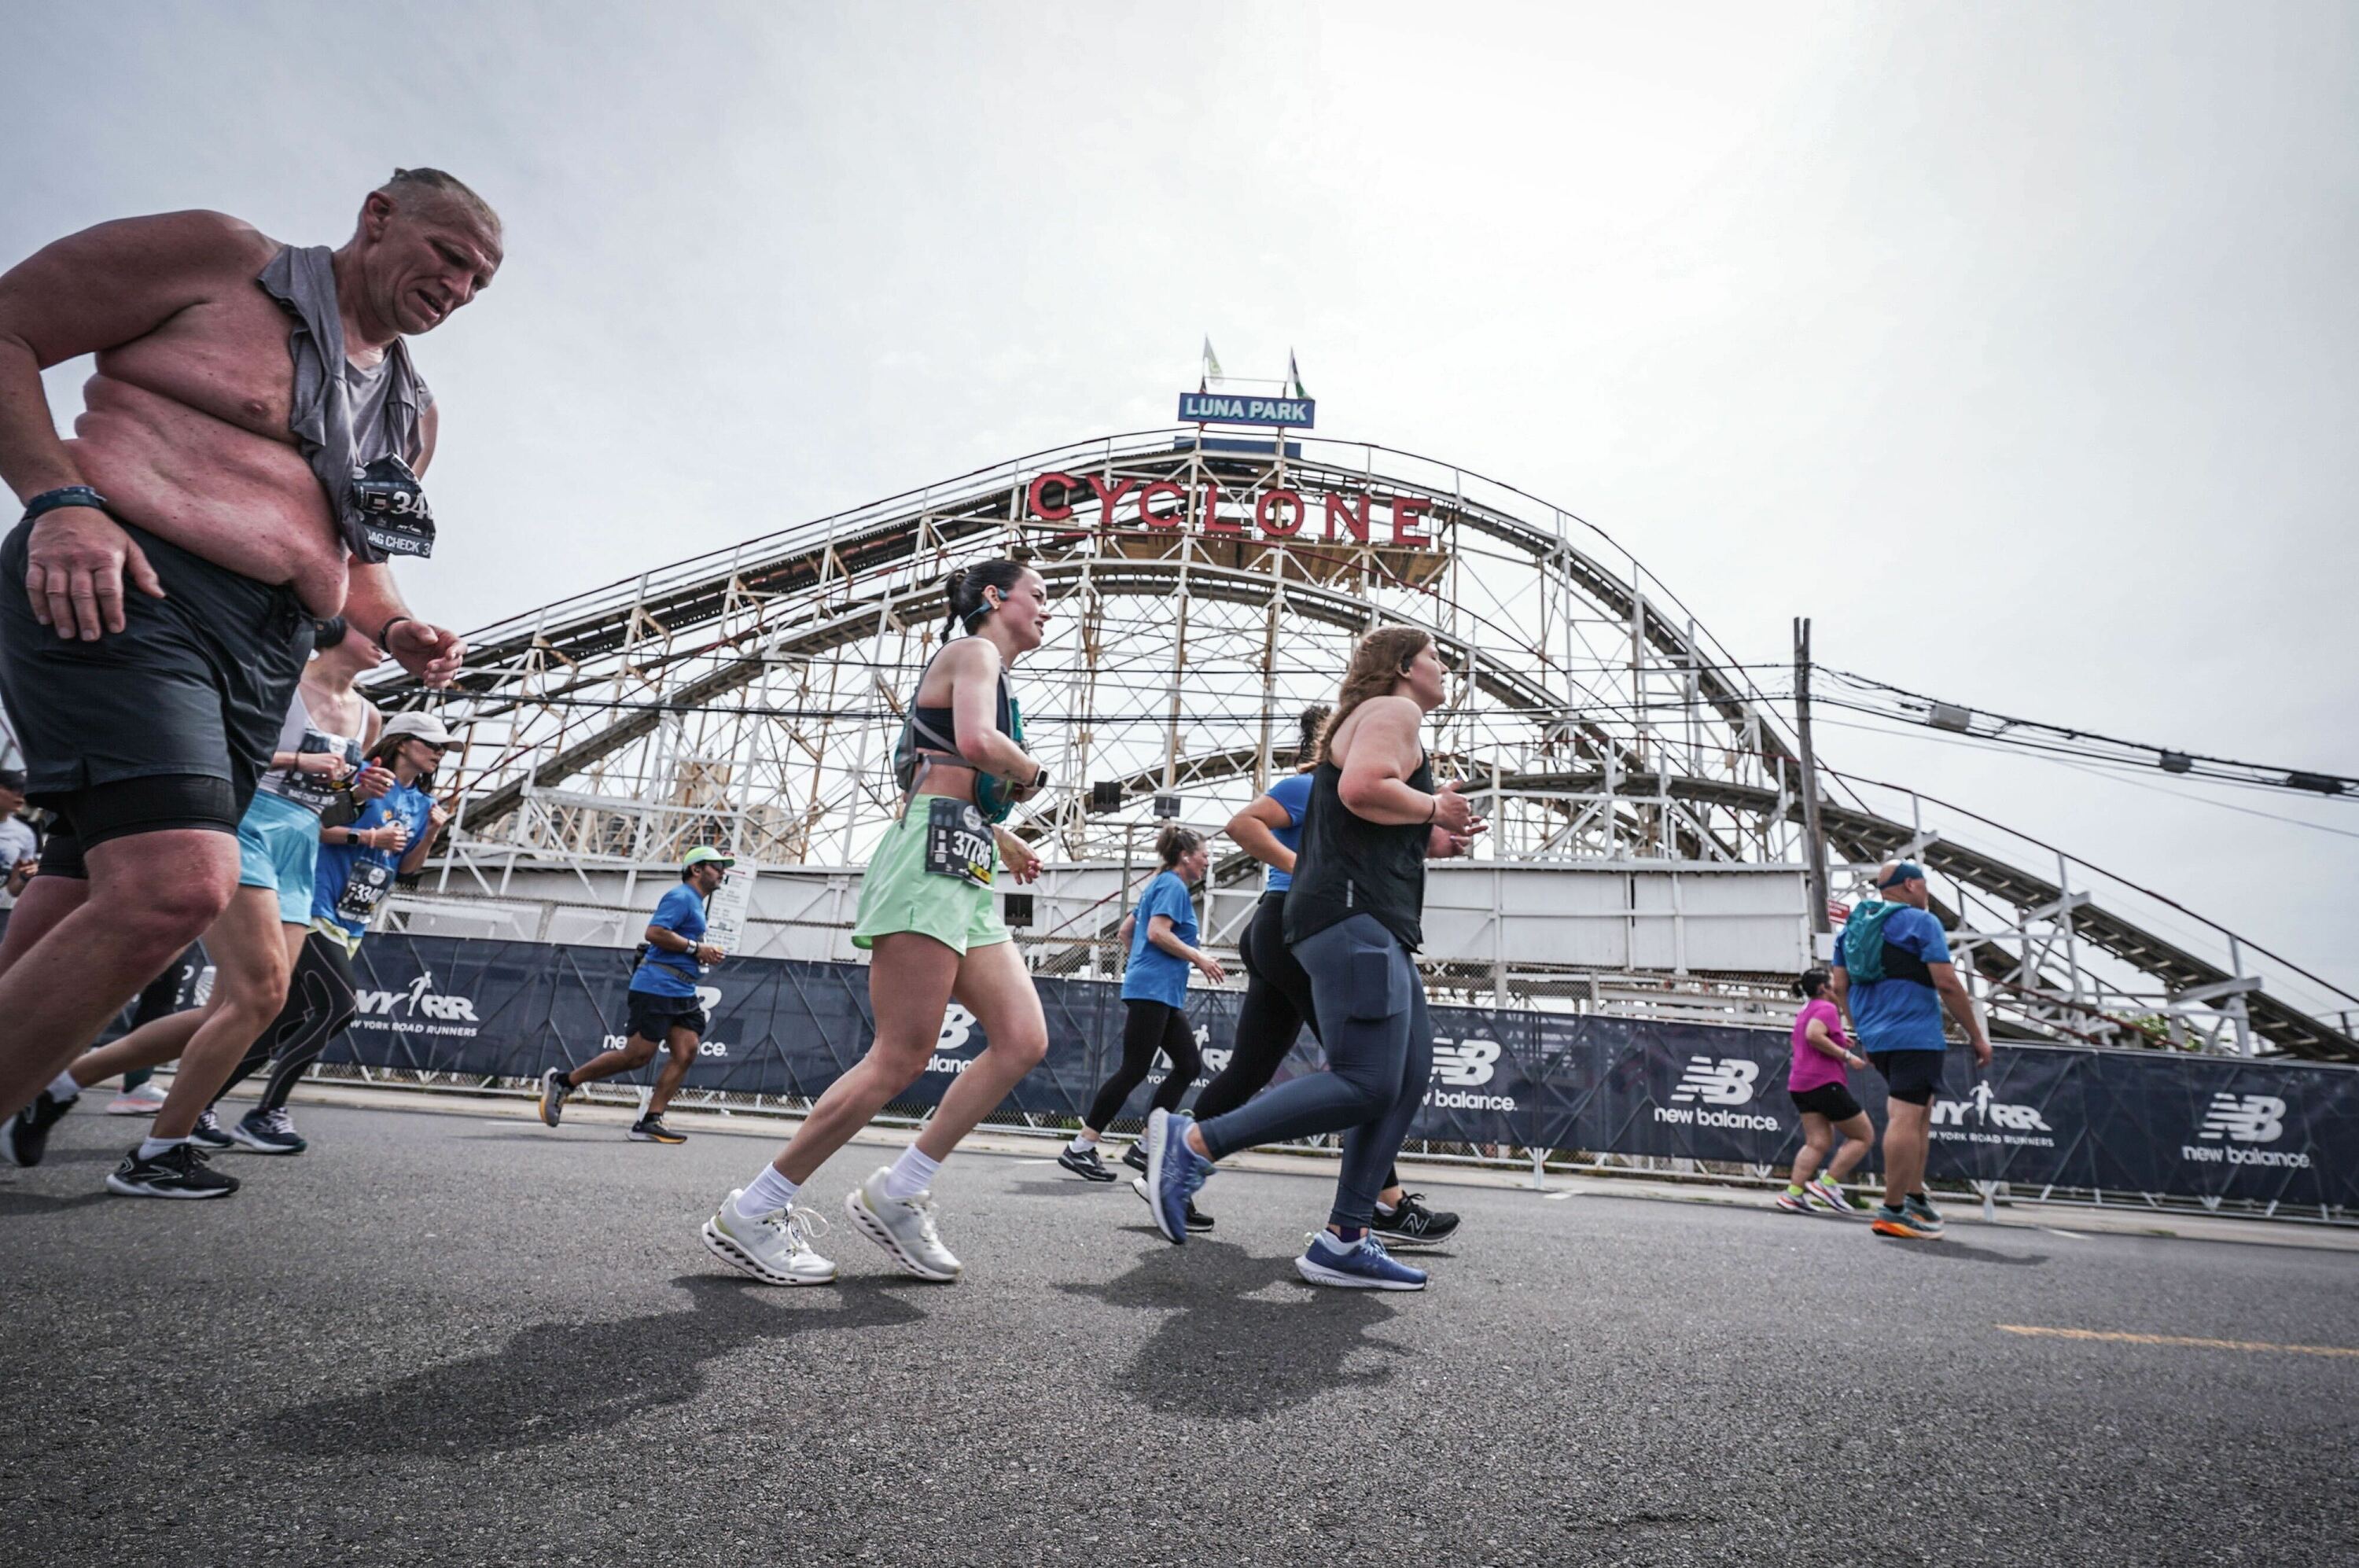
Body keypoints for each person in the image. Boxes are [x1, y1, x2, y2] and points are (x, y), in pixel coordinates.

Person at [0, 169, 482, 1139]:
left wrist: (396, 628)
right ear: (378, 218)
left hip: (264, 649)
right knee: (179, 882)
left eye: (481, 280)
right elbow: (9, 326)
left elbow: (353, 559)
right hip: (132, 581)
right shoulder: (224, 260)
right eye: (450, 255)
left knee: (84, 889)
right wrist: (56, 499)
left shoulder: (409, 413)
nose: (461, 287)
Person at [701, 559, 1051, 1286]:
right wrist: (1033, 773)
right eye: (1039, 595)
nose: (1049, 611)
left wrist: (1002, 834)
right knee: (900, 1057)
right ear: (995, 598)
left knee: (1022, 1038)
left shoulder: (985, 666)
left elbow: (943, 770)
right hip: (930, 855)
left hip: (962, 855)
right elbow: (981, 745)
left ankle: (899, 1191)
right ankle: (755, 1209)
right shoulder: (976, 651)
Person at [1145, 626, 1484, 1290]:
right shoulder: (1397, 709)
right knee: (1366, 1080)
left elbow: (1355, 816)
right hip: (1352, 919)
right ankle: (1191, 1145)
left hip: (1366, 916)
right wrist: (1433, 803)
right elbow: (1363, 789)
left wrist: (1427, 838)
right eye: (1439, 660)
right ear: (1408, 666)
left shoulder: (1363, 721)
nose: (1447, 672)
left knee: (1405, 1076)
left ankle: (1347, 1238)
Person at [2, 652, 395, 1191]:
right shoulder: (280, 680)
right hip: (247, 820)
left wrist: (354, 789)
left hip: (299, 841)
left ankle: (62, 1084)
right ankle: (159, 1152)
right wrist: (300, 763)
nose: (384, 638)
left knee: (230, 1009)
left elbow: (335, 800)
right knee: (262, 999)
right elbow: (213, 750)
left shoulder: (369, 716)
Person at [1186, 704, 1463, 1247]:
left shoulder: (1350, 795)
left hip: (1293, 930)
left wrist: (1435, 834)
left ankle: (1166, 1150)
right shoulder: (1315, 786)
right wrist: (1306, 868)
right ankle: (1383, 1205)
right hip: (1303, 925)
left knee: (1251, 1070)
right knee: (1368, 1073)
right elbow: (1241, 824)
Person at [211, 709, 452, 1153]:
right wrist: (367, 838)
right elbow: (313, 829)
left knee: (283, 1021)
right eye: (432, 744)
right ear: (401, 742)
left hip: (354, 919)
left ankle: (202, 1100)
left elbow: (407, 871)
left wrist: (431, 834)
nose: (440, 753)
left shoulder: (420, 805)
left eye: (443, 748)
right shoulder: (363, 776)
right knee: (340, 1006)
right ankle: (266, 1113)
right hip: (314, 905)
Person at [1831, 860, 1993, 1240]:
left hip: (1879, 1036)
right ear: (1910, 886)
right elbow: (1947, 983)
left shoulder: (1851, 929)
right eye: (1924, 884)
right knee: (1906, 1116)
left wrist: (1864, 1031)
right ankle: (1892, 1210)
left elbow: (1840, 987)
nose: (1926, 892)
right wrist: (1976, 1035)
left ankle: (1915, 1195)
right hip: (1915, 1033)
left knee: (1920, 1115)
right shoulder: (1921, 923)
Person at [1059, 824, 1221, 1198]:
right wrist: (1198, 958)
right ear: (1185, 856)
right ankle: (1081, 1147)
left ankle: (1146, 1146)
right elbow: (1156, 933)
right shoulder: (1173, 886)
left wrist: (1141, 965)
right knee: (1134, 1068)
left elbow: (1127, 930)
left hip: (1157, 989)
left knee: (1189, 1065)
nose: (1208, 860)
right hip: (1153, 990)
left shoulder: (1160, 884)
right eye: (1204, 854)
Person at [539, 846, 734, 1144]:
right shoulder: (681, 896)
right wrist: (697, 949)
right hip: (657, 985)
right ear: (697, 870)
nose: (723, 872)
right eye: (717, 866)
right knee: (637, 1056)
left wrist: (700, 955)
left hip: (682, 990)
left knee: (687, 1050)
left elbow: (679, 943)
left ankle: (651, 1120)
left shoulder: (696, 903)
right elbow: (654, 932)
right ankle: (564, 1081)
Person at [1775, 967, 1875, 1216]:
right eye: (1833, 982)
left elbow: (1801, 1038)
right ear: (1824, 988)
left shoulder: (1806, 1010)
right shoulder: (1827, 1008)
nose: (1839, 985)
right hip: (1824, 1082)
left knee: (1817, 1142)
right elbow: (1813, 1036)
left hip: (1800, 1084)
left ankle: (1793, 1195)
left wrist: (1839, 1040)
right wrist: (1847, 1056)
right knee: (1863, 1136)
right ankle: (1827, 1184)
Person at [0, 767, 38, 911]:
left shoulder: (25, 834)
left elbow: (13, 890)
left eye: (25, 790)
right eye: (15, 788)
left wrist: (26, 877)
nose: (22, 795)